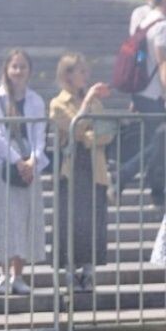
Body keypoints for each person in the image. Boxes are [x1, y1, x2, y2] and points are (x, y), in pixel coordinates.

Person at [0, 48, 47, 296]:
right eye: (14, 66)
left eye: (22, 66)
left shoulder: (36, 100)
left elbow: (40, 135)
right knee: (4, 219)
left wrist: (32, 161)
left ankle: (18, 275)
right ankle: (3, 274)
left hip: (29, 169)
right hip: (3, 168)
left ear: (29, 70)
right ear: (7, 70)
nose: (18, 71)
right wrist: (17, 161)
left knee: (24, 219)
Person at [49, 54, 113, 294]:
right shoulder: (57, 102)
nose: (86, 76)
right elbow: (73, 128)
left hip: (94, 168)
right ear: (67, 74)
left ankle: (88, 271)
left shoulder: (96, 103)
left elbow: (107, 132)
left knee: (92, 221)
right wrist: (86, 115)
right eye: (81, 72)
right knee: (70, 220)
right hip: (70, 170)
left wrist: (87, 135)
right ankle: (69, 272)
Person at [117, 0, 166, 208]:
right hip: (153, 94)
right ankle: (147, 184)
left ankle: (130, 177)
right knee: (161, 140)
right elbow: (163, 64)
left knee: (158, 140)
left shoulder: (146, 20)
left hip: (142, 92)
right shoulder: (162, 25)